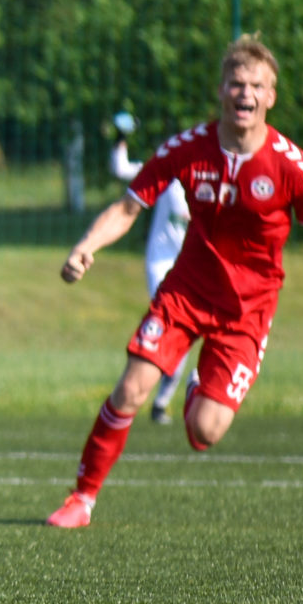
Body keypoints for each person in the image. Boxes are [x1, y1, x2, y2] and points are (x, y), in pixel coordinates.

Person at [46, 35, 303, 529]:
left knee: (204, 432)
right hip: (185, 294)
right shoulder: (188, 149)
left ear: (271, 96)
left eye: (257, 86)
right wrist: (87, 245)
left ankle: (197, 388)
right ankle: (82, 498)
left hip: (247, 309)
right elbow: (128, 207)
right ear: (221, 90)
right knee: (131, 390)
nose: (245, 93)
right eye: (236, 83)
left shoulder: (291, 165)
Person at [108, 111, 190, 423]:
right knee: (171, 330)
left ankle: (162, 402)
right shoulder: (169, 175)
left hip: (192, 270)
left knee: (186, 341)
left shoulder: (211, 181)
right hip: (161, 264)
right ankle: (146, 397)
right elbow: (120, 168)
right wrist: (120, 137)